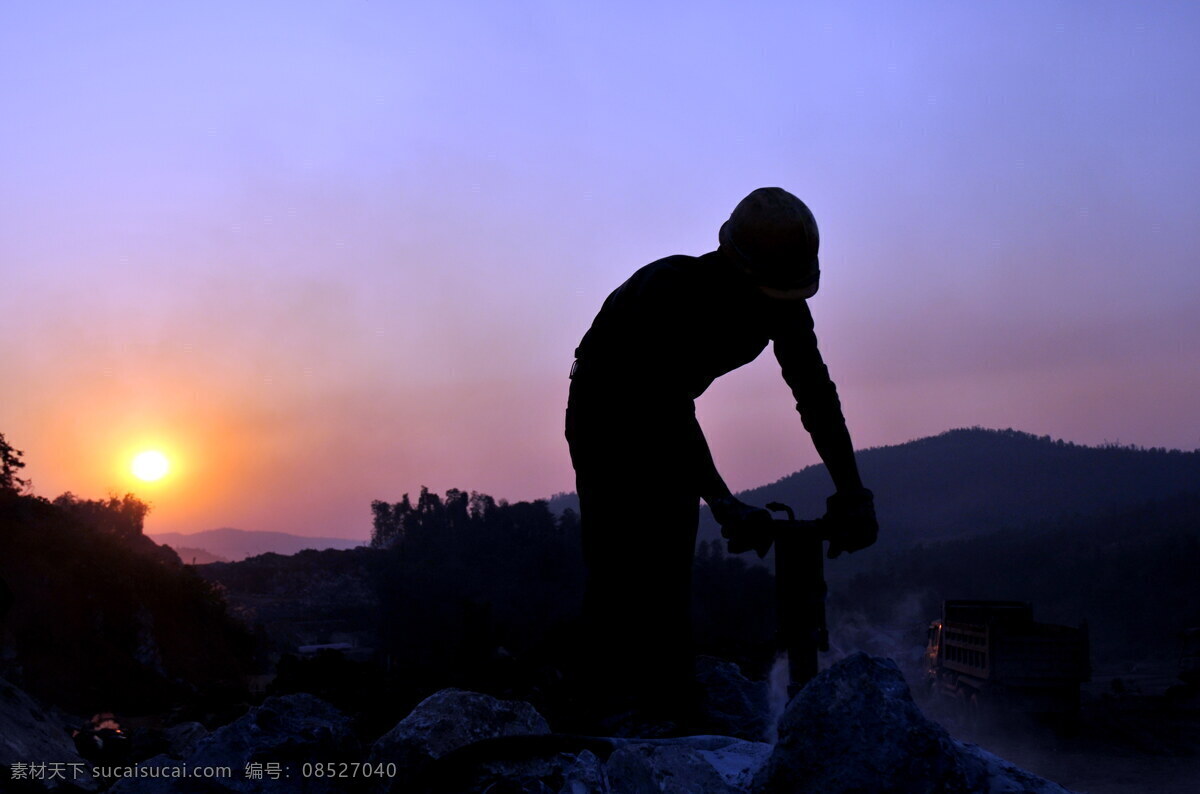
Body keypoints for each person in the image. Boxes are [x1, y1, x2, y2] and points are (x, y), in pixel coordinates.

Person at [564, 187, 877, 730]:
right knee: (619, 564)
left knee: (670, 565)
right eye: (769, 291)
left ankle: (671, 706)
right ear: (738, 269)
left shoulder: (781, 304)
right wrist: (725, 501)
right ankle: (596, 716)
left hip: (664, 412)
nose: (777, 303)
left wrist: (852, 491)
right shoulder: (671, 292)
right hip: (604, 415)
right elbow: (663, 405)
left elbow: (816, 395)